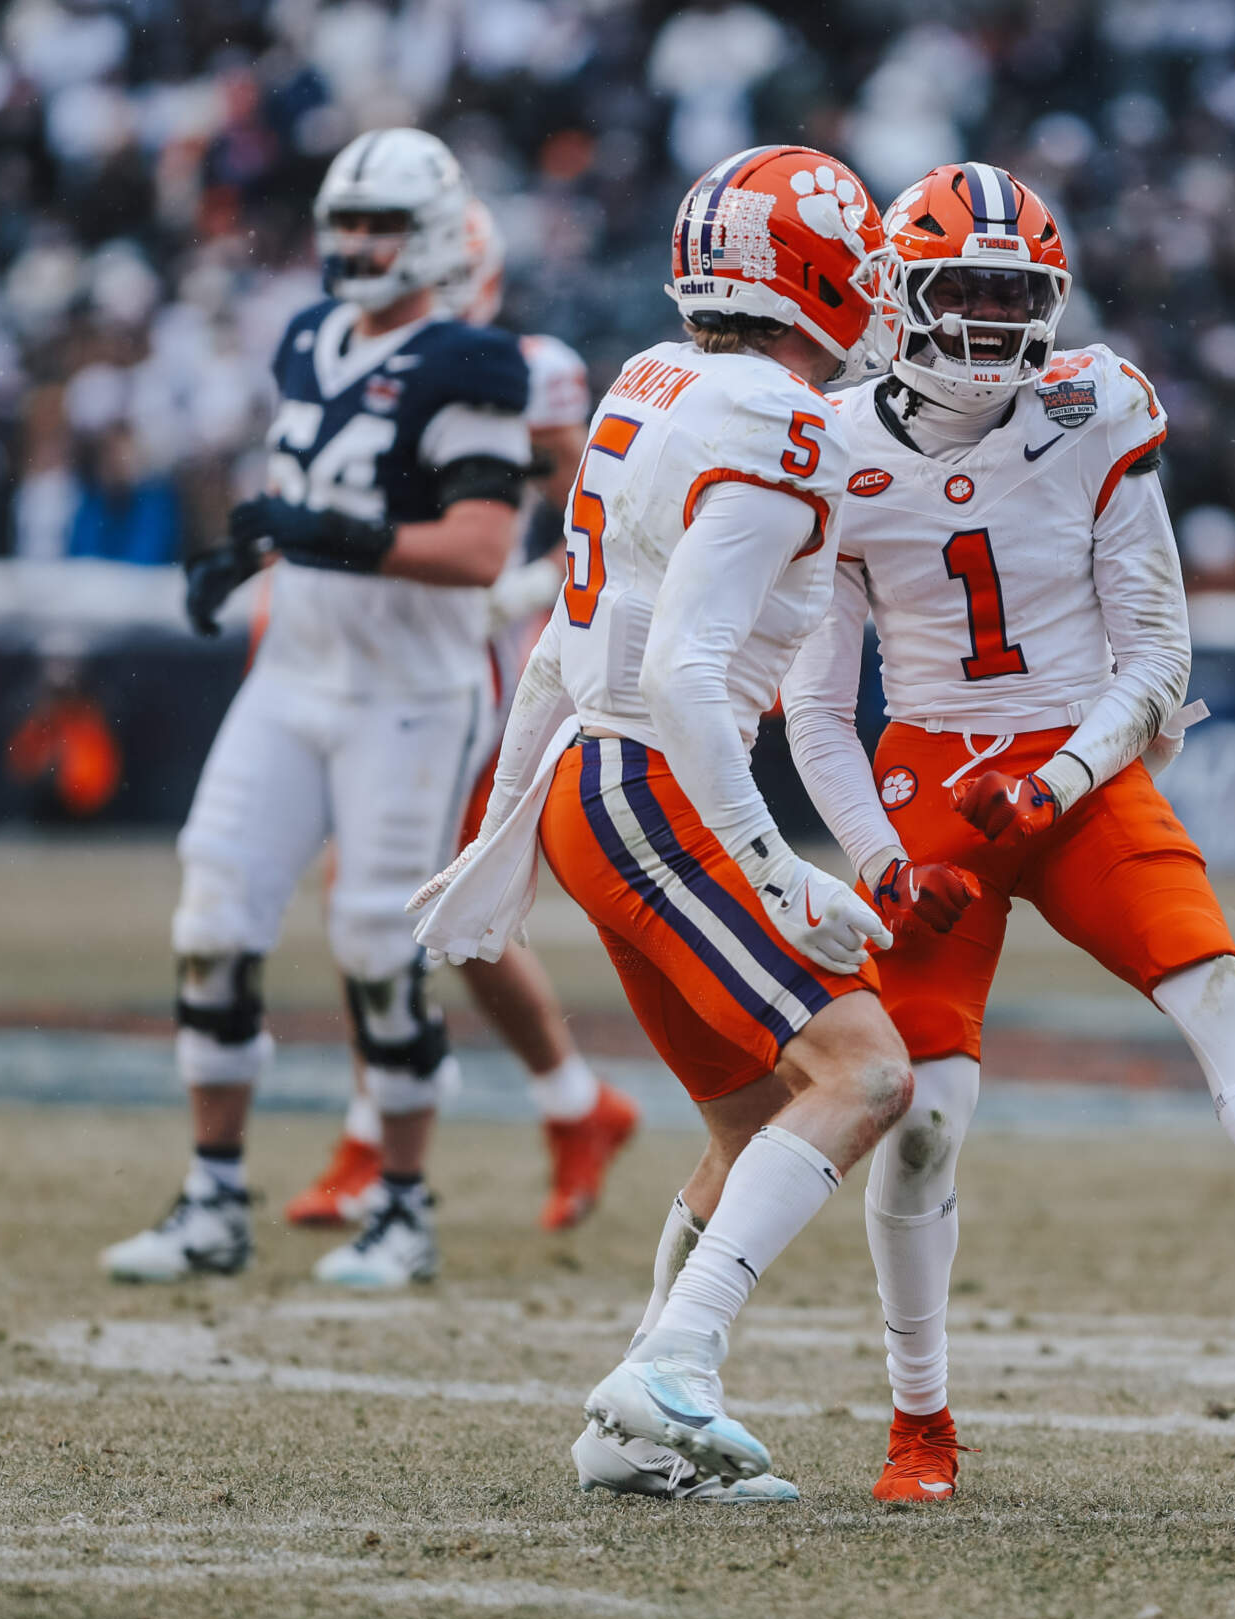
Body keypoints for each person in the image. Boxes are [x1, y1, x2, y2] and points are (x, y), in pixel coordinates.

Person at [778, 163, 1235, 1503]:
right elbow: (815, 708)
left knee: (1223, 991)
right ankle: (919, 1418)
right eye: (968, 290)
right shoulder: (831, 444)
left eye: (1016, 295)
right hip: (928, 780)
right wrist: (881, 860)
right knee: (922, 1116)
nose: (994, 321)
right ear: (901, 295)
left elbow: (1157, 653)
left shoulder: (1092, 405)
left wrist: (1055, 781)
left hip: (1079, 759)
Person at [412, 144, 907, 1502]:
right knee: (867, 1074)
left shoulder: (653, 375)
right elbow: (683, 673)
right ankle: (675, 1364)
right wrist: (778, 868)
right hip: (658, 784)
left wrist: (509, 820)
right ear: (808, 274)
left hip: (601, 779)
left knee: (754, 1126)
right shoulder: (782, 420)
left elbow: (570, 647)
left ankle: (629, 1431)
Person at [98, 128, 534, 1289]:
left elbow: (480, 549)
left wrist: (331, 537)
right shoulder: (306, 337)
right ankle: (212, 1197)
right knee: (211, 918)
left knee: (379, 947)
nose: (357, 244)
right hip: (293, 674)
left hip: (410, 690)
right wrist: (247, 553)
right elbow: (304, 496)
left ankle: (403, 1208)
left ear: (434, 236)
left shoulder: (475, 362)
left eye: (381, 225)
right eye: (346, 222)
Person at [286, 198, 639, 1238]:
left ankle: (380, 1140)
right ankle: (569, 1104)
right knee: (421, 901)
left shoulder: (525, 372)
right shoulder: (364, 363)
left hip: (480, 667)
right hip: (394, 656)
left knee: (395, 892)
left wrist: (523, 588)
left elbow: (606, 523)